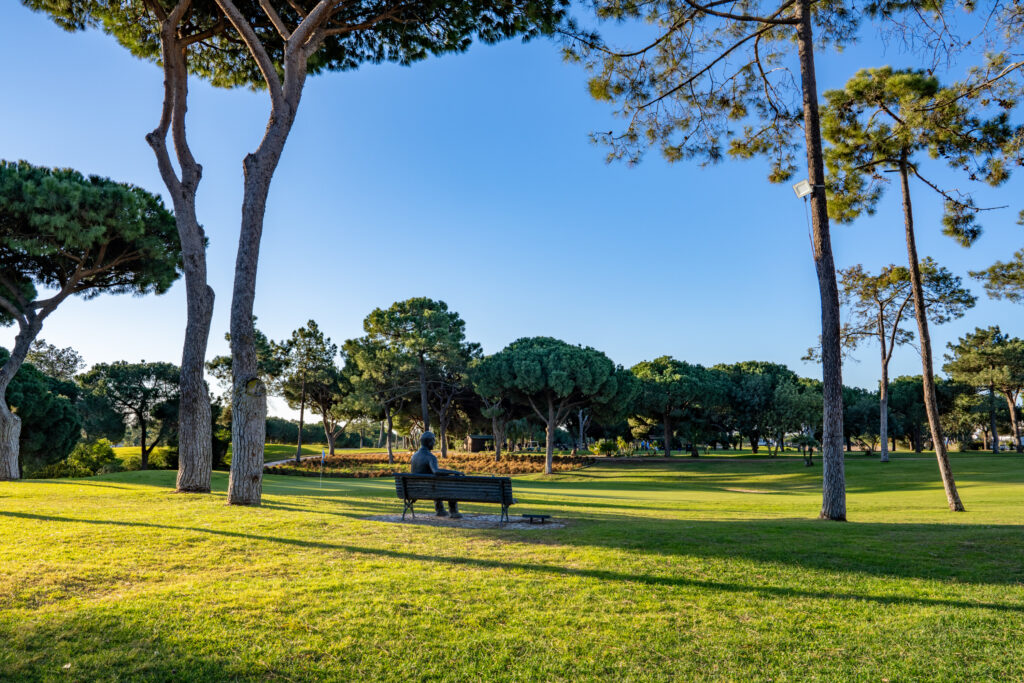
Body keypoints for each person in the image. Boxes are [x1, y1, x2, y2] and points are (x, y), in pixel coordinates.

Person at [410, 431, 464, 518]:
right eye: (434, 441)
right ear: (429, 442)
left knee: (435, 485)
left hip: (415, 490)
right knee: (450, 487)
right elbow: (436, 471)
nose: (434, 443)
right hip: (430, 490)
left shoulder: (414, 456)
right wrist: (454, 472)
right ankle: (453, 512)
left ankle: (440, 510)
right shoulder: (430, 457)